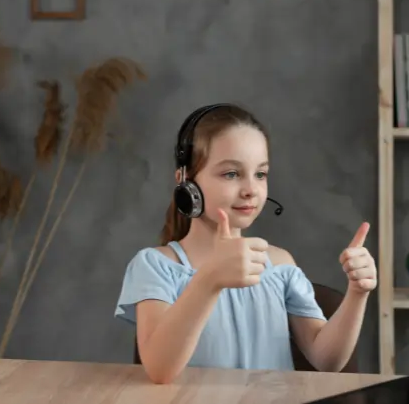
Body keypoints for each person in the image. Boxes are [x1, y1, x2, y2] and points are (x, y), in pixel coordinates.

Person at [114, 103, 376, 384]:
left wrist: (357, 293)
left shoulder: (279, 265)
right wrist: (209, 279)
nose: (251, 189)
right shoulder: (156, 266)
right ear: (186, 182)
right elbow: (159, 370)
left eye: (260, 174)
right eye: (231, 174)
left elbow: (327, 361)